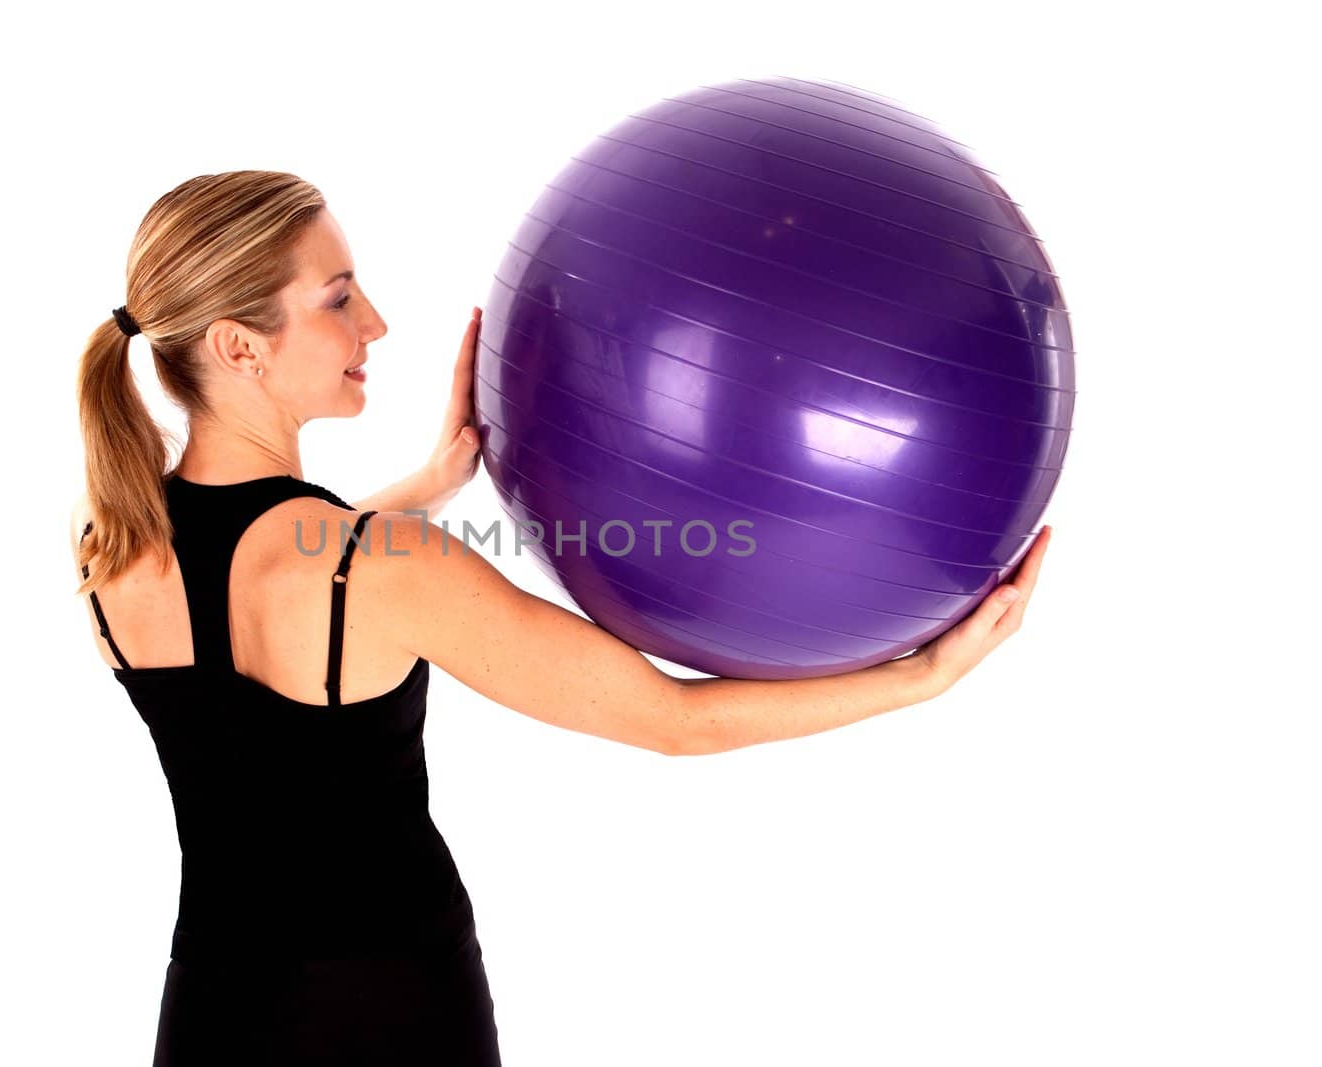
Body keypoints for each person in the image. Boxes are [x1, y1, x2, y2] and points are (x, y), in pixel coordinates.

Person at [70, 170, 1053, 1065]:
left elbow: (266, 572)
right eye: (336, 298)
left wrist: (426, 483)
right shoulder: (382, 569)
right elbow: (674, 719)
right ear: (238, 344)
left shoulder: (112, 543)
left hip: (211, 1010)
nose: (373, 323)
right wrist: (922, 677)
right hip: (388, 1011)